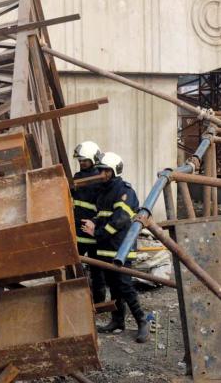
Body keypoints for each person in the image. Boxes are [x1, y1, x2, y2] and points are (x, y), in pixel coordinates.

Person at [81, 152, 150, 343]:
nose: (101, 173)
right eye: (100, 170)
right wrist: (94, 223)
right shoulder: (103, 191)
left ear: (113, 171)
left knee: (125, 286)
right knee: (114, 286)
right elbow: (103, 215)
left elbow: (119, 220)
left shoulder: (124, 190)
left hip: (121, 248)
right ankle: (118, 321)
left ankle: (142, 322)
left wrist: (97, 232)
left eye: (104, 170)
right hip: (107, 247)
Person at [71, 141, 107, 303]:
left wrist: (94, 222)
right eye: (80, 160)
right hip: (78, 230)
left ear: (93, 159)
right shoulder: (77, 177)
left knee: (96, 268)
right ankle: (74, 299)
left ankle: (98, 301)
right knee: (73, 267)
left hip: (92, 231)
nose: (81, 163)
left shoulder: (99, 179)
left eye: (84, 160)